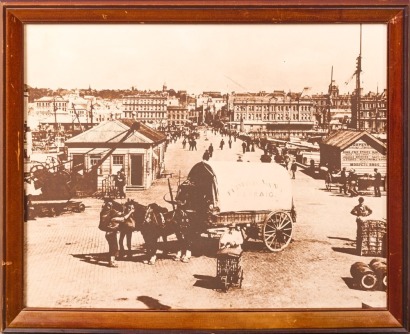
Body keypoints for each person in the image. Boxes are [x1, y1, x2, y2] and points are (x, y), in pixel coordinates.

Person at [99, 201, 134, 267]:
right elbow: (124, 218)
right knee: (114, 248)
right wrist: (130, 212)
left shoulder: (110, 217)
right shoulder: (113, 218)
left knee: (112, 247)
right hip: (111, 234)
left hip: (109, 234)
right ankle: (112, 262)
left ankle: (111, 260)